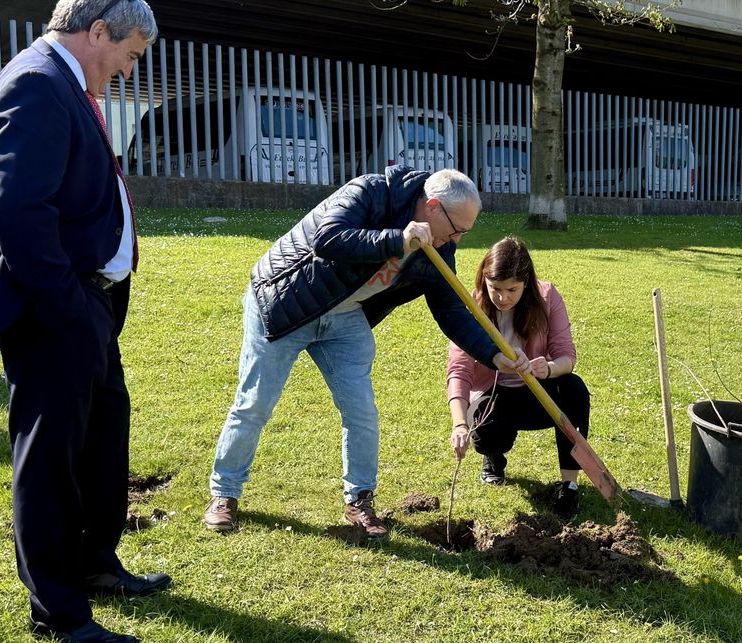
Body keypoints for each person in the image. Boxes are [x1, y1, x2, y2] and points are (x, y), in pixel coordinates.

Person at [0, 0, 166, 642]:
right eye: (131, 54)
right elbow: (22, 215)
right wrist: (69, 307)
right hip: (51, 306)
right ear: (98, 30)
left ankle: (94, 562)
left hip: (87, 305)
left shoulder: (68, 85)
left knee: (104, 433)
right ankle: (58, 611)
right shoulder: (36, 83)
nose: (131, 69)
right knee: (50, 458)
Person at [203, 167, 529, 538]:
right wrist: (398, 240)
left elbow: (450, 308)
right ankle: (224, 494)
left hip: (342, 319)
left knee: (361, 411)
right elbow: (329, 239)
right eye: (456, 230)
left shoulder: (441, 244)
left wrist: (492, 354)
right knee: (255, 403)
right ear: (434, 207)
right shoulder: (374, 192)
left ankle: (359, 500)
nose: (456, 239)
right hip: (285, 303)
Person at [446, 236, 591, 521]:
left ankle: (569, 485)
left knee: (574, 390)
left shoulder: (547, 298)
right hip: (494, 395)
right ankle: (494, 458)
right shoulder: (472, 308)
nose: (502, 298)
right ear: (484, 281)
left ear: (526, 283)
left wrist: (546, 368)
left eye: (512, 289)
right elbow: (458, 369)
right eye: (495, 289)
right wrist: (460, 424)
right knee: (487, 436)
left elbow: (566, 357)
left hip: (537, 393)